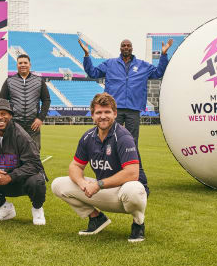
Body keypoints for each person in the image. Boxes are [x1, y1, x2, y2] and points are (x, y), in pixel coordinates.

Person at [51, 93, 148, 242]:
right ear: (92, 115)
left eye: (107, 112)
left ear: (115, 114)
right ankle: (96, 219)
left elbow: (132, 174)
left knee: (133, 189)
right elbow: (75, 166)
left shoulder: (123, 137)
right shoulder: (88, 137)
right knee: (58, 184)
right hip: (104, 190)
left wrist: (98, 184)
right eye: (99, 112)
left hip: (127, 192)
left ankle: (138, 223)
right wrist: (83, 183)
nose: (103, 116)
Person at [78, 37, 172, 145]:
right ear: (120, 48)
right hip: (114, 109)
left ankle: (133, 162)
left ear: (132, 48)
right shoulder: (110, 64)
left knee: (132, 141)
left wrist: (164, 55)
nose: (126, 47)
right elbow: (93, 73)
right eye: (123, 45)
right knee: (110, 139)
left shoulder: (143, 66)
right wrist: (86, 55)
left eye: (128, 45)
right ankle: (110, 161)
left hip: (134, 108)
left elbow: (159, 72)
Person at [0, 98, 47, 225]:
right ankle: (5, 208)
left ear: (10, 115)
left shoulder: (21, 135)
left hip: (22, 181)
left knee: (37, 180)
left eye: (3, 114)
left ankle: (37, 209)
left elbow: (34, 164)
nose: (0, 118)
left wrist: (11, 177)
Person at [0, 54, 51, 150]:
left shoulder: (39, 81)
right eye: (20, 63)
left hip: (33, 126)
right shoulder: (9, 81)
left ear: (30, 65)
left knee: (33, 154)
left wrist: (40, 118)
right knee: (13, 153)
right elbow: (2, 101)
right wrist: (7, 118)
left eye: (25, 63)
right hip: (14, 125)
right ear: (17, 65)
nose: (23, 65)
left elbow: (46, 100)